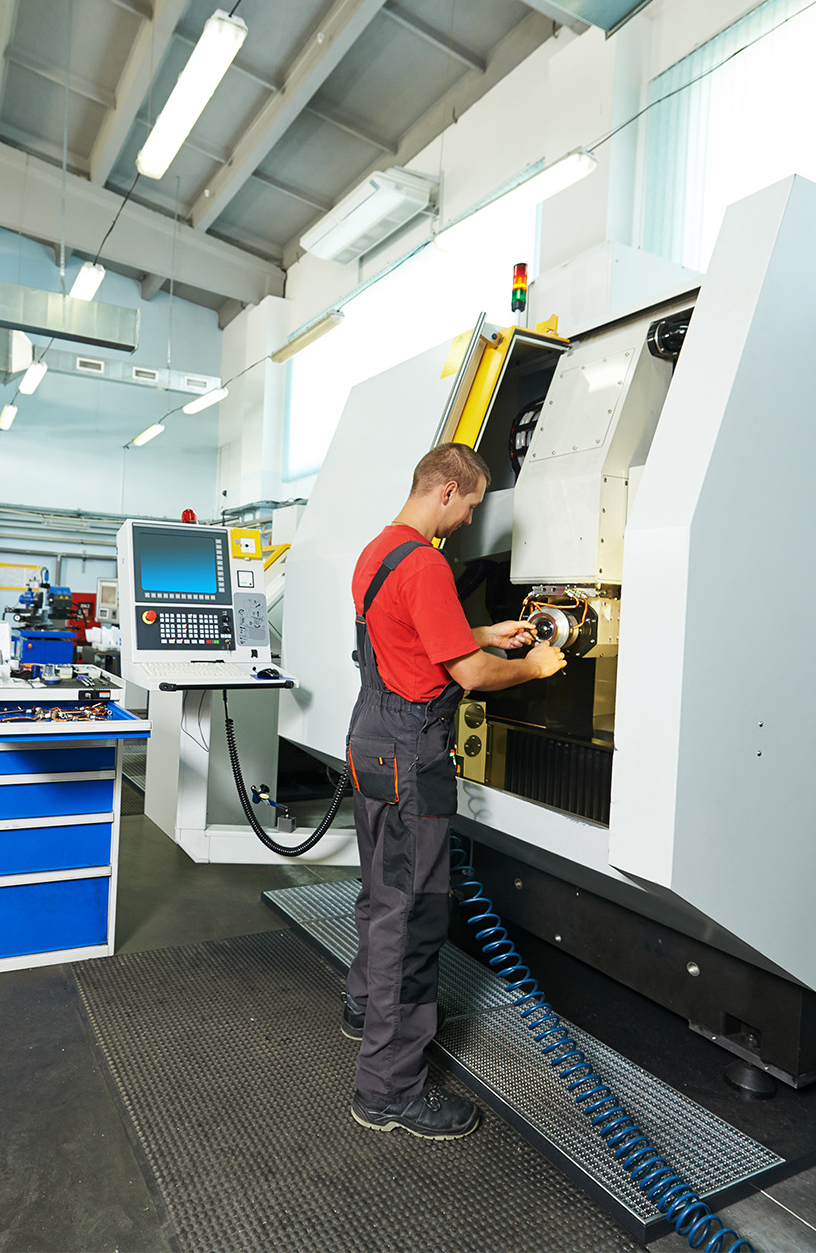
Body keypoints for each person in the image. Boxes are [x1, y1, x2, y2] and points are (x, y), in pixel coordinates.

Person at [343, 441, 567, 1139]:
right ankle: (388, 1088)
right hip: (413, 752)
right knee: (413, 917)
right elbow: (467, 677)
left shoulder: (379, 552)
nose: (467, 522)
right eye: (469, 506)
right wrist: (533, 666)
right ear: (447, 489)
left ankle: (362, 1007)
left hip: (371, 739)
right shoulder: (428, 562)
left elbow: (410, 634)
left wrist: (480, 631)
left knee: (382, 889)